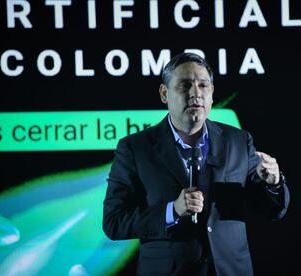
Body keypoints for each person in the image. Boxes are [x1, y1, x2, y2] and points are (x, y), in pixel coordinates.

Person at [102, 52, 290, 276]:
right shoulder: (135, 148)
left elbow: (272, 210)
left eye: (203, 85)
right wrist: (173, 211)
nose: (196, 93)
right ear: (164, 93)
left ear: (212, 93)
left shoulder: (238, 140)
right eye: (185, 85)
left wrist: (273, 184)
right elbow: (114, 221)